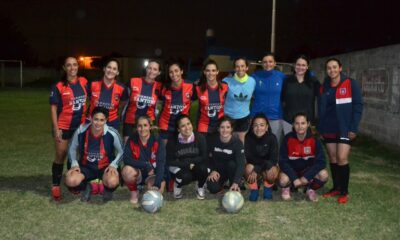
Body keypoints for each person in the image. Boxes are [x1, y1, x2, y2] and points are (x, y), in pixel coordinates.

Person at [318, 58, 363, 204]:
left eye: (334, 67)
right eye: (329, 68)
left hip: (345, 128)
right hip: (328, 127)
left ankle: (344, 191)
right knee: (333, 157)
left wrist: (353, 127)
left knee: (342, 157)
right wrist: (320, 127)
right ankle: (336, 188)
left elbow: (358, 106)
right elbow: (321, 108)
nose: (332, 70)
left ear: (340, 68)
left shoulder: (350, 83)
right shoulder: (324, 86)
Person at [49, 56, 88, 201]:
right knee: (61, 155)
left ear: (78, 66)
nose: (72, 68)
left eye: (75, 65)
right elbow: (53, 109)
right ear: (64, 68)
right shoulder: (58, 86)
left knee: (74, 155)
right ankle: (56, 185)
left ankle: (72, 183)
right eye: (69, 65)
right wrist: (56, 128)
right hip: (63, 126)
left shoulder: (84, 82)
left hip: (80, 127)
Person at [65, 107, 123, 202]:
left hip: (105, 167)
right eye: (96, 119)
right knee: (70, 180)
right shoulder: (81, 130)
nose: (98, 123)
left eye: (101, 120)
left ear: (106, 121)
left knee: (112, 182)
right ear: (91, 118)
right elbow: (72, 148)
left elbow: (122, 151)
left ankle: (106, 189)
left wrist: (114, 165)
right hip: (86, 167)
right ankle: (87, 186)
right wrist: (74, 164)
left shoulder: (112, 133)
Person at [279, 112, 328, 202]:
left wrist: (307, 176)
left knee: (324, 175)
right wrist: (294, 178)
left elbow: (321, 162)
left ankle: (310, 189)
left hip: (307, 171)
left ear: (308, 124)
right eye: (297, 123)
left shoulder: (314, 139)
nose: (300, 126)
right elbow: (282, 162)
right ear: (293, 125)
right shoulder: (287, 139)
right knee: (283, 180)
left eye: (303, 123)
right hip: (292, 171)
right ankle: (287, 188)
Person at [122, 116, 166, 204]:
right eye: (139, 126)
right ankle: (134, 191)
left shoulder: (158, 140)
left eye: (145, 125)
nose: (142, 129)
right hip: (139, 172)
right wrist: (145, 165)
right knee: (127, 171)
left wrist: (157, 184)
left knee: (154, 196)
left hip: (154, 173)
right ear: (136, 127)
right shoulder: (132, 139)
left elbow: (161, 164)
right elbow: (126, 159)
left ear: (150, 126)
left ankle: (150, 185)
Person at [166, 115, 208, 199]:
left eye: (188, 124)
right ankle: (177, 185)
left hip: (194, 164)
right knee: (186, 177)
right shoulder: (172, 141)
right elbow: (169, 161)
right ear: (178, 129)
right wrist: (186, 164)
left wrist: (191, 162)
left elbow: (204, 156)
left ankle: (200, 186)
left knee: (204, 169)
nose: (187, 127)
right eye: (183, 126)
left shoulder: (200, 137)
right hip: (179, 165)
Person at [122, 60, 162, 141]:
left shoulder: (160, 87)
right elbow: (122, 100)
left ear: (159, 72)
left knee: (146, 150)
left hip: (148, 123)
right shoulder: (133, 81)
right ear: (146, 69)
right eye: (149, 68)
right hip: (130, 122)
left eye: (155, 69)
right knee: (128, 148)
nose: (151, 71)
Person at [251, 53, 286, 145]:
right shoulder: (255, 76)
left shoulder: (282, 77)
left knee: (274, 144)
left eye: (270, 61)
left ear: (275, 63)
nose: (268, 64)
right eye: (265, 62)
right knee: (257, 144)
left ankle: (274, 160)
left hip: (276, 117)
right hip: (258, 116)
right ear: (262, 63)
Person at [281, 55, 320, 135]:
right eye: (298, 64)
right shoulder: (287, 81)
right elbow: (282, 99)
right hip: (289, 121)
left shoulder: (313, 81)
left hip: (306, 122)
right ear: (294, 65)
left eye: (303, 65)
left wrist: (315, 121)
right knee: (290, 145)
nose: (300, 67)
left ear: (307, 67)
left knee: (306, 146)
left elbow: (321, 99)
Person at [244, 113, 279, 201]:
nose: (258, 128)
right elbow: (249, 158)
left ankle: (267, 188)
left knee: (272, 170)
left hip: (266, 167)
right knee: (248, 168)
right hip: (255, 166)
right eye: (255, 125)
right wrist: (256, 169)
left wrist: (257, 169)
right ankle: (254, 189)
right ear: (252, 127)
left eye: (262, 125)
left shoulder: (272, 138)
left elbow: (273, 160)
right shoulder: (248, 137)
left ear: (267, 127)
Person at [206, 117, 245, 194]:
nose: (225, 130)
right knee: (212, 188)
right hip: (219, 171)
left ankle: (233, 183)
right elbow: (208, 158)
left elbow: (241, 164)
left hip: (232, 169)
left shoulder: (237, 143)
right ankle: (223, 183)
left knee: (232, 164)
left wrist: (236, 182)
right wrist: (212, 170)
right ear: (218, 129)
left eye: (228, 127)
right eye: (222, 127)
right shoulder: (212, 140)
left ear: (231, 129)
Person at [87, 58, 128, 130]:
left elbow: (123, 103)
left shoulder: (122, 88)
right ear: (104, 69)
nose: (111, 71)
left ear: (117, 72)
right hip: (93, 121)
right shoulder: (92, 84)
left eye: (114, 69)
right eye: (109, 67)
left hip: (112, 122)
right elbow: (87, 101)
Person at [158, 62, 193, 143]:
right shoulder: (165, 87)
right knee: (165, 152)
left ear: (181, 71)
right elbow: (159, 101)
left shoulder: (190, 86)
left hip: (183, 126)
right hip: (166, 125)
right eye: (171, 72)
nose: (174, 74)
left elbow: (193, 99)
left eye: (176, 71)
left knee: (180, 152)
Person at [223, 57, 256, 143]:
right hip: (228, 117)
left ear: (247, 67)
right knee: (227, 142)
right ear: (234, 68)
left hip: (244, 118)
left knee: (241, 143)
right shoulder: (226, 81)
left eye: (242, 66)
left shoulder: (252, 81)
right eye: (237, 66)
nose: (240, 69)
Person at [194, 59, 228, 137]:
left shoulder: (225, 87)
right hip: (203, 127)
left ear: (217, 72)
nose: (211, 73)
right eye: (208, 70)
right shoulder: (198, 88)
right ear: (204, 72)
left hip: (220, 127)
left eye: (213, 70)